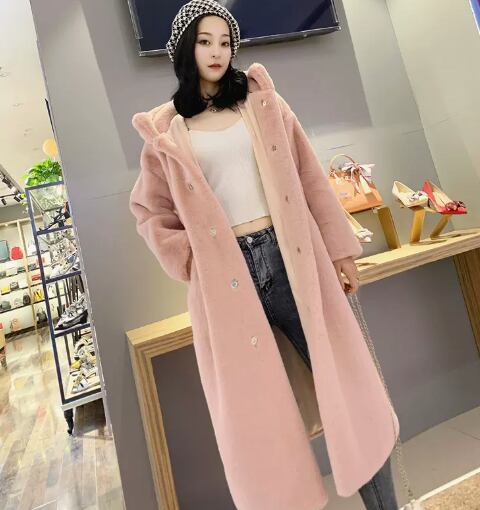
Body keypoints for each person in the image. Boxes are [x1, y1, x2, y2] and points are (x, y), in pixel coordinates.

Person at [130, 1, 400, 509]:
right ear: (185, 49)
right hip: (227, 278)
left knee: (352, 396)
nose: (217, 51)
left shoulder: (264, 105)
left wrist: (340, 252)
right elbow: (150, 212)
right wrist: (192, 259)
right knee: (259, 420)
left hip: (290, 258)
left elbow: (309, 178)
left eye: (224, 42)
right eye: (204, 41)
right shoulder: (165, 133)